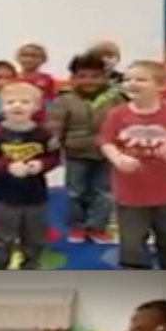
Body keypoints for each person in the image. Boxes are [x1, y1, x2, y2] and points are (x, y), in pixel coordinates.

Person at [100, 61, 166, 269]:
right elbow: (106, 142)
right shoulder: (117, 114)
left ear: (161, 86)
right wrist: (118, 159)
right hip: (130, 191)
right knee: (132, 241)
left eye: (140, 79)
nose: (132, 84)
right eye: (127, 79)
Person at [0, 82, 60, 269]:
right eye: (10, 102)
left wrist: (41, 164)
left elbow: (54, 156)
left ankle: (31, 264)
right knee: (2, 235)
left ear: (37, 106)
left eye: (24, 101)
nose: (17, 105)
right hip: (3, 196)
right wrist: (7, 167)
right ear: (2, 107)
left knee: (36, 235)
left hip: (35, 195)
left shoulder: (44, 134)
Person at [50, 52, 123, 245]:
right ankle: (78, 226)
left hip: (107, 153)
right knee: (75, 191)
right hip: (76, 153)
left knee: (105, 191)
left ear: (105, 77)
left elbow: (124, 122)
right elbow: (55, 126)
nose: (89, 81)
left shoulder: (115, 99)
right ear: (73, 78)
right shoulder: (64, 100)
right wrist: (54, 146)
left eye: (95, 76)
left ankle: (97, 227)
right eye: (82, 76)